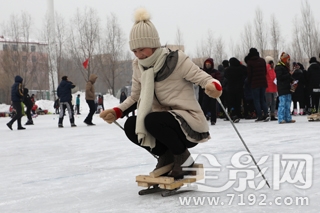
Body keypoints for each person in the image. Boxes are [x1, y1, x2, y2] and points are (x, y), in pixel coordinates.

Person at [100, 8, 222, 180]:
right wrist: (117, 111)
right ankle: (166, 157)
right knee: (132, 125)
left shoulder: (176, 60)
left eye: (142, 49)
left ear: (153, 44)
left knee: (152, 120)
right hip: (161, 124)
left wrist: (213, 86)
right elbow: (136, 97)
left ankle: (183, 158)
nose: (139, 55)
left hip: (187, 123)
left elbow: (202, 77)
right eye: (134, 51)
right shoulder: (138, 67)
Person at [246, 48, 269, 122]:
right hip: (263, 83)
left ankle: (259, 115)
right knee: (262, 99)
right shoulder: (262, 60)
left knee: (256, 100)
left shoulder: (250, 62)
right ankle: (266, 113)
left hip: (255, 84)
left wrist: (249, 83)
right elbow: (265, 72)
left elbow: (249, 74)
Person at [224, 57, 247, 123]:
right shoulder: (240, 69)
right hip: (239, 88)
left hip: (230, 89)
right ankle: (238, 114)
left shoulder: (228, 70)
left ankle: (233, 114)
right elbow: (246, 71)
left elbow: (225, 77)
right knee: (238, 102)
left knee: (231, 103)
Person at [275, 52, 296, 124]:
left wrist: (292, 80)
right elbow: (280, 77)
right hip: (282, 88)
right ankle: (281, 119)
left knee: (288, 104)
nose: (289, 61)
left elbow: (288, 76)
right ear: (284, 59)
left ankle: (288, 118)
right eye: (288, 59)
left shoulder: (285, 67)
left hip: (287, 87)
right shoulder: (279, 67)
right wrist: (289, 74)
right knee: (282, 104)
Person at [200, 58, 220, 125]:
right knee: (204, 106)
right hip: (205, 91)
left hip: (213, 92)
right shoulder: (203, 72)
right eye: (206, 64)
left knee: (213, 106)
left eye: (209, 64)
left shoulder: (215, 72)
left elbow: (218, 80)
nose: (207, 65)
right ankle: (202, 119)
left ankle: (213, 120)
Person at [265, 56, 278, 121]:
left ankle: (270, 114)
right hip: (271, 88)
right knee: (271, 102)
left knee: (271, 102)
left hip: (270, 88)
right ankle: (271, 114)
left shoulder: (270, 68)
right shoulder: (269, 67)